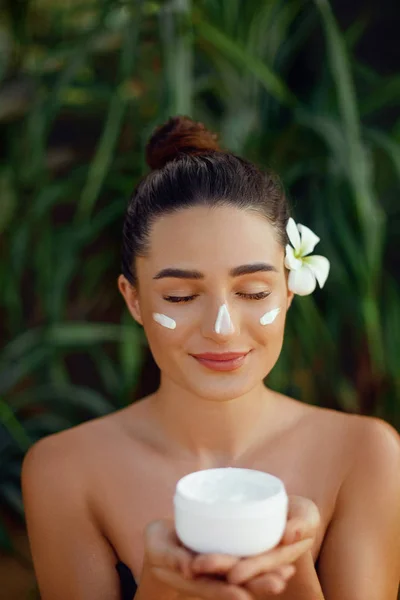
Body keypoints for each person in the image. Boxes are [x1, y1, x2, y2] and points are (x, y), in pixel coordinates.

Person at [22, 116, 400, 600]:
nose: (222, 329)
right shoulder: (65, 471)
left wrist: (291, 562)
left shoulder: (363, 455)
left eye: (254, 291)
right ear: (134, 300)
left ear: (288, 291)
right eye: (180, 296)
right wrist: (160, 585)